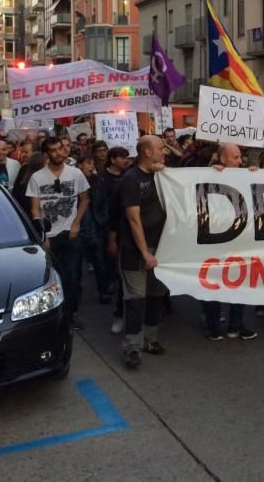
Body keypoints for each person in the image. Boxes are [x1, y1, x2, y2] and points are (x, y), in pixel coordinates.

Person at [26, 136, 90, 329]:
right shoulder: (37, 177)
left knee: (72, 276)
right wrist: (43, 234)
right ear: (46, 154)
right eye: (53, 150)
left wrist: (76, 224)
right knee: (52, 277)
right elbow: (35, 209)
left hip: (70, 233)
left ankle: (71, 314)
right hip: (49, 237)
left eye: (60, 149)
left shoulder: (76, 174)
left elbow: (85, 199)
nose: (58, 153)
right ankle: (54, 315)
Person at [117, 135, 169, 368]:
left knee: (156, 296)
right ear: (147, 152)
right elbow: (133, 219)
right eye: (160, 148)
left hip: (162, 245)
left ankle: (151, 339)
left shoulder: (161, 174)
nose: (164, 151)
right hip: (135, 249)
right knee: (135, 299)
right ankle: (132, 347)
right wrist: (145, 253)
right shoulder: (131, 179)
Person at [205, 143, 258, 341]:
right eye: (235, 157)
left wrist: (254, 174)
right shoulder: (209, 174)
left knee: (240, 281)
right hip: (214, 241)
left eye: (240, 157)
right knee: (212, 283)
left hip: (239, 240)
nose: (240, 161)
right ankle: (213, 325)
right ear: (222, 159)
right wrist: (211, 173)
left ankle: (236, 325)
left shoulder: (245, 175)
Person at [102, 146, 131, 335]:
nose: (125, 161)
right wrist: (111, 238)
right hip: (122, 233)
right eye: (122, 157)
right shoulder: (103, 179)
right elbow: (110, 211)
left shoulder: (130, 176)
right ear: (112, 159)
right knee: (125, 280)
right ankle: (120, 315)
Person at [78, 155, 113, 304]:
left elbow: (104, 202)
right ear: (80, 165)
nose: (91, 166)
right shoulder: (73, 180)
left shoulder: (98, 181)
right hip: (79, 226)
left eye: (93, 163)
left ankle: (103, 290)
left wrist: (103, 220)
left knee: (99, 260)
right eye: (88, 162)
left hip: (96, 225)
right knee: (77, 263)